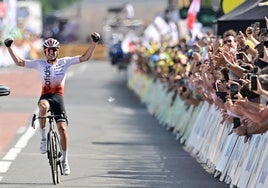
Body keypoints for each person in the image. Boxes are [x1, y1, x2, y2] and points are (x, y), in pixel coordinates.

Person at [4, 32, 101, 175]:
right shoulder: (39, 63)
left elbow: (85, 57)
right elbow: (19, 62)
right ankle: (43, 138)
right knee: (42, 107)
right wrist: (9, 47)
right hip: (46, 97)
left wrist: (94, 42)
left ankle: (65, 160)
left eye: (55, 50)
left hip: (58, 98)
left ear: (57, 51)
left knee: (62, 129)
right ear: (45, 52)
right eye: (49, 50)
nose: (52, 52)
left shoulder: (65, 62)